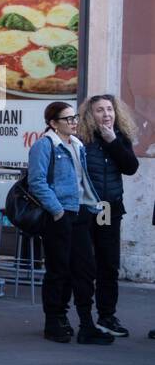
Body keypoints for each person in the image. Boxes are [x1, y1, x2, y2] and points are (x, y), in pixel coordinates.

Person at [28, 100, 113, 345]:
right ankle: (55, 321)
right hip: (60, 215)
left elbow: (83, 180)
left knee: (85, 270)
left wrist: (92, 205)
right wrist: (57, 211)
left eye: (74, 118)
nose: (74, 122)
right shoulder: (44, 146)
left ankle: (87, 323)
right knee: (59, 271)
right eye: (68, 119)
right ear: (53, 123)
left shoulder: (77, 145)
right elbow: (37, 182)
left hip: (80, 213)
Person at [78, 94, 139, 338]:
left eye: (110, 109)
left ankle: (107, 315)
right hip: (85, 209)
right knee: (83, 265)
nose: (106, 114)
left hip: (109, 208)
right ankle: (83, 318)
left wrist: (113, 141)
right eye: (100, 110)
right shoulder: (82, 139)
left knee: (108, 264)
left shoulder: (119, 137)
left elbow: (131, 167)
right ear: (90, 115)